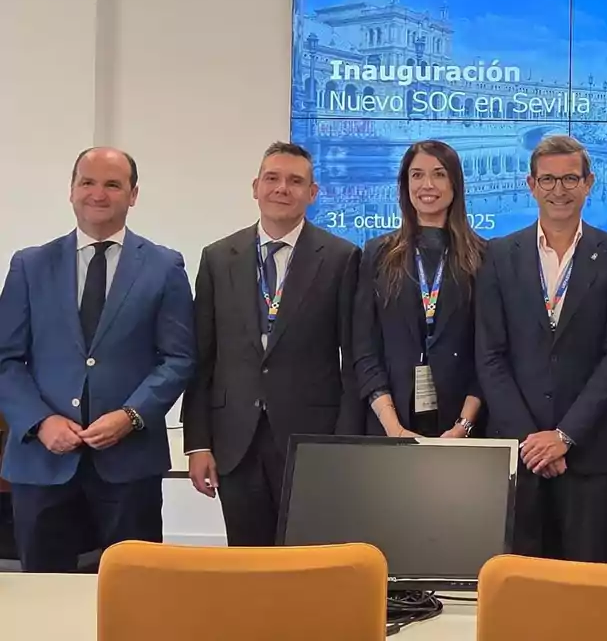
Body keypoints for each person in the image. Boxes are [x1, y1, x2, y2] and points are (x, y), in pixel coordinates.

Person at [0, 147, 196, 572]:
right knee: (43, 598)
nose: (98, 193)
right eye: (87, 182)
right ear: (71, 191)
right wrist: (40, 421)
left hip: (129, 465)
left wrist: (131, 415)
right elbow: (6, 360)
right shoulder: (29, 265)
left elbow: (178, 358)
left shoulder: (164, 266)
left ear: (133, 194)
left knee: (134, 595)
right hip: (42, 461)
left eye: (112, 184)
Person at [182, 141, 362, 546]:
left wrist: (342, 445)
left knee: (309, 565)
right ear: (255, 186)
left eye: (295, 181)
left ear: (312, 193)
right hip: (234, 442)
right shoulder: (217, 257)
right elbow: (202, 360)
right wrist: (198, 443)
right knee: (247, 565)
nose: (283, 188)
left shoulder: (340, 257)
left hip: (311, 441)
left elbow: (352, 362)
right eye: (273, 178)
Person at [476, 135, 607, 562]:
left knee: (589, 596)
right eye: (547, 180)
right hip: (519, 454)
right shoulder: (499, 253)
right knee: (520, 594)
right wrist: (533, 441)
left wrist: (565, 436)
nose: (558, 190)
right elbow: (490, 355)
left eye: (570, 179)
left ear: (589, 183)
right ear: (530, 184)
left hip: (589, 455)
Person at [354, 140, 486, 439]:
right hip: (390, 421)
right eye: (417, 175)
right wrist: (393, 428)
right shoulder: (377, 254)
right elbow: (364, 349)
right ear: (405, 184)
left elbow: (490, 353)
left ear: (455, 183)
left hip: (462, 424)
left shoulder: (483, 257)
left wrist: (463, 426)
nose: (427, 184)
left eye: (439, 174)